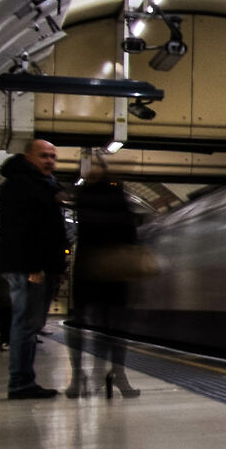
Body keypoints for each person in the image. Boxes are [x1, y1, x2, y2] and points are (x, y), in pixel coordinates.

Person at [0, 139, 68, 400]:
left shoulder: (43, 184)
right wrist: (34, 265)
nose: (49, 161)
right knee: (25, 325)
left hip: (39, 266)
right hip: (30, 268)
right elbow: (20, 229)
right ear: (28, 157)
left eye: (53, 156)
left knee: (30, 325)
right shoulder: (21, 185)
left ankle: (24, 380)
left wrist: (56, 265)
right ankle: (21, 382)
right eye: (44, 155)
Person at [66, 153, 141, 399]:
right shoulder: (109, 195)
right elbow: (127, 231)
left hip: (96, 267)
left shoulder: (88, 195)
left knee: (106, 326)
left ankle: (100, 376)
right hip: (102, 269)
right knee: (104, 326)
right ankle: (95, 375)